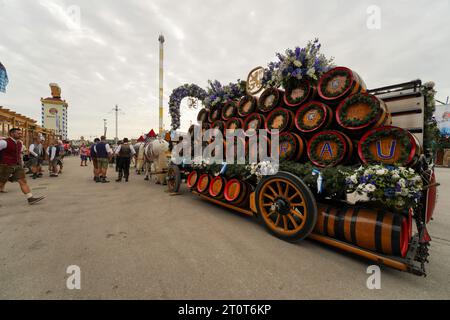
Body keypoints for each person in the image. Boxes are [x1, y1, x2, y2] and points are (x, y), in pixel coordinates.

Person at [0, 128, 45, 204]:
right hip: (5, 165)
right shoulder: (4, 142)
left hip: (17, 165)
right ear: (12, 134)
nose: (20, 135)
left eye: (21, 133)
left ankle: (30, 198)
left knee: (23, 181)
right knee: (1, 183)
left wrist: (21, 164)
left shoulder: (20, 143)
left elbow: (19, 154)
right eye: (18, 133)